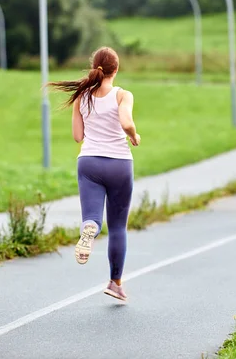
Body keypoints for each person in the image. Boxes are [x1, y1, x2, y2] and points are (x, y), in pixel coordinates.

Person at [49, 47, 140, 301]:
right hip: (119, 164)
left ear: (94, 67)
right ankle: (115, 283)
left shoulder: (82, 97)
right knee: (118, 226)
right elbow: (126, 122)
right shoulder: (123, 95)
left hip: (89, 162)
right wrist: (133, 135)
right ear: (116, 69)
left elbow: (78, 137)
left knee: (92, 217)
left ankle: (89, 227)